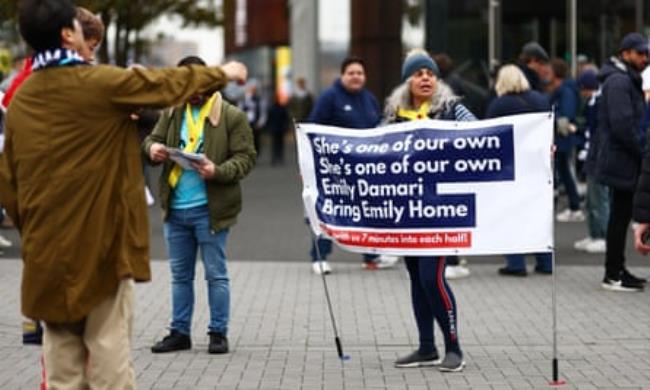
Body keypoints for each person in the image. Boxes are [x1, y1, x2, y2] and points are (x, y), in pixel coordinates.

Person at [0, 1, 247, 388]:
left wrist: (33, 232)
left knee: (62, 369)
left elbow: (8, 182)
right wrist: (222, 73)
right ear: (68, 35)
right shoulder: (98, 84)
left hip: (46, 255)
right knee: (109, 361)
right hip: (100, 251)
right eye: (79, 30)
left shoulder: (22, 100)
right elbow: (162, 84)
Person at [144, 55, 256, 355]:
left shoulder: (231, 116)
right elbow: (150, 140)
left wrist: (217, 171)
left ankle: (218, 333)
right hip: (175, 210)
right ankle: (179, 332)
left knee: (215, 274)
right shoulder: (172, 111)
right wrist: (153, 148)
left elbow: (246, 158)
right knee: (180, 276)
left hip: (211, 209)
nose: (189, 91)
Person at [385, 49, 474, 372]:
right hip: (408, 211)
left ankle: (454, 348)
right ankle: (426, 347)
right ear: (407, 80)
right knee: (415, 278)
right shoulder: (394, 114)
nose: (425, 77)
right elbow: (367, 150)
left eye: (430, 73)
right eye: (418, 73)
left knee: (431, 277)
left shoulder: (453, 110)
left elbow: (488, 138)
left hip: (440, 211)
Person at [306, 56, 399, 274]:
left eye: (360, 73)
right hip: (333, 171)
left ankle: (371, 256)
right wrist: (309, 165)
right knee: (328, 211)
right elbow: (312, 128)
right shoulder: (330, 97)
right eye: (351, 73)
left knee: (367, 211)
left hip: (364, 170)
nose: (356, 77)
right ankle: (319, 257)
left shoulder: (369, 99)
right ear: (343, 75)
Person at [485, 64, 552, 276]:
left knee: (510, 213)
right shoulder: (540, 100)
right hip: (538, 166)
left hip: (509, 168)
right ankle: (545, 261)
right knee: (538, 214)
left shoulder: (499, 105)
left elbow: (489, 137)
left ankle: (516, 263)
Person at [597, 32, 648, 292]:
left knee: (620, 216)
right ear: (625, 52)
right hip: (623, 160)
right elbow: (623, 125)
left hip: (624, 159)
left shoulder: (625, 78)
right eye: (640, 53)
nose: (645, 58)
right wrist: (643, 150)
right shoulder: (619, 81)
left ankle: (617, 269)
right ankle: (613, 273)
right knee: (619, 217)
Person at [573, 69, 609, 254]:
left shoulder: (599, 103)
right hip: (593, 155)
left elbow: (597, 132)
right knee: (591, 199)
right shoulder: (593, 103)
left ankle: (602, 236)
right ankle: (594, 233)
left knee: (599, 198)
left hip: (599, 157)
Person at [548, 59, 584, 223]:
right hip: (561, 138)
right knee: (563, 171)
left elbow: (566, 115)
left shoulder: (566, 91)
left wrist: (552, 119)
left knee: (565, 172)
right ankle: (573, 206)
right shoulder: (562, 90)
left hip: (563, 138)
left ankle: (575, 207)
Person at [266, 94, 290, 166]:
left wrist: (268, 127)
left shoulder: (272, 108)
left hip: (276, 128)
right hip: (279, 128)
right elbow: (285, 118)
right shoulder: (281, 108)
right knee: (278, 144)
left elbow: (269, 119)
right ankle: (278, 157)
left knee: (276, 144)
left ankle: (276, 158)